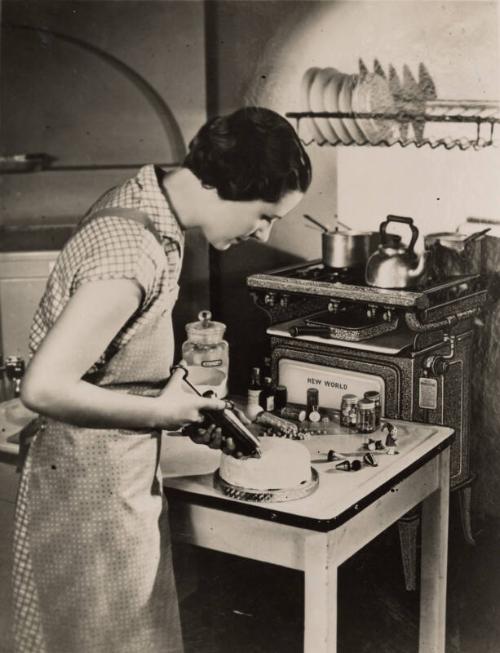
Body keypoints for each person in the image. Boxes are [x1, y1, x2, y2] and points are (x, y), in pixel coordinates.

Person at [14, 106, 312, 653]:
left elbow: (116, 353)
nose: (261, 231)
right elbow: (44, 388)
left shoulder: (149, 203)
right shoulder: (131, 251)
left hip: (106, 471)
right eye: (265, 214)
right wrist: (160, 412)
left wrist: (182, 406)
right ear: (226, 184)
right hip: (86, 489)